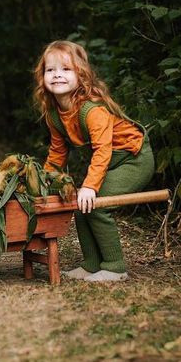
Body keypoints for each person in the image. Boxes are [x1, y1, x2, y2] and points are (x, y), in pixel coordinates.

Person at [34, 40, 154, 282]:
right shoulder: (54, 114)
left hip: (134, 159)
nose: (57, 75)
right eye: (51, 70)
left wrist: (89, 186)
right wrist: (41, 182)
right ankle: (91, 264)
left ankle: (115, 267)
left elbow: (102, 150)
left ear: (81, 75)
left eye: (66, 69)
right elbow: (57, 154)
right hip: (110, 161)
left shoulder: (92, 110)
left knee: (95, 203)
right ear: (42, 76)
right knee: (81, 206)